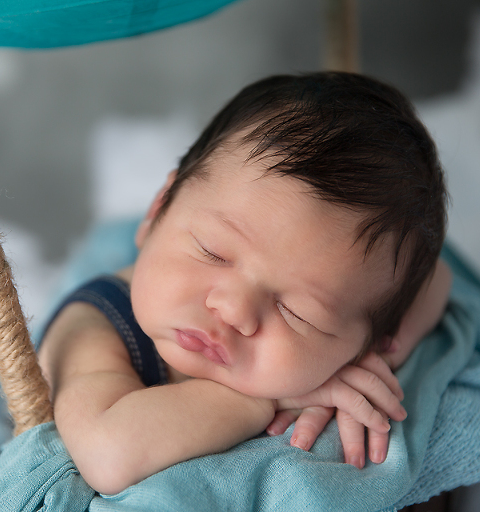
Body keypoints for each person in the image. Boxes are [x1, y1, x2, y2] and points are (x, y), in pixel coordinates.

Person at [37, 72, 451, 495]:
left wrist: (363, 362)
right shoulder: (95, 327)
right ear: (157, 210)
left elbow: (437, 279)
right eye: (213, 251)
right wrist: (272, 398)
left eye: (298, 313)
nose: (233, 309)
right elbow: (109, 454)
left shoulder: (360, 332)